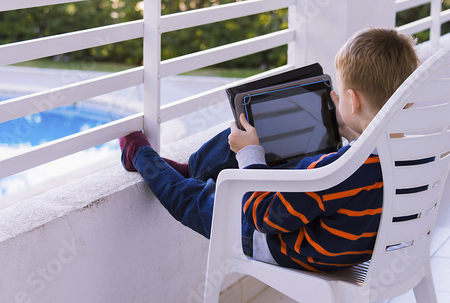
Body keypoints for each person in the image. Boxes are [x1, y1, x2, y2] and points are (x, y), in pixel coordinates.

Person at [119, 27, 419, 272]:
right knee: (253, 137)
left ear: (352, 102)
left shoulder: (337, 170)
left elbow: (262, 217)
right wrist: (352, 127)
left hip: (287, 247)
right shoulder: (419, 155)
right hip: (352, 247)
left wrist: (250, 156)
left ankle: (139, 154)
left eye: (339, 95)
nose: (334, 99)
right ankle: (193, 170)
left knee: (196, 196)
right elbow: (365, 172)